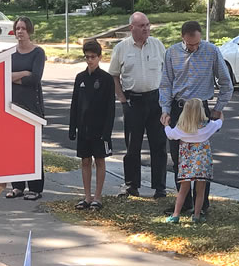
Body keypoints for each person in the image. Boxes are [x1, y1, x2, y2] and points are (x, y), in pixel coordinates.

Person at [160, 20, 232, 215]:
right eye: (190, 44)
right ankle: (184, 203)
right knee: (178, 156)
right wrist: (165, 109)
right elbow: (166, 83)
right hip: (179, 107)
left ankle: (202, 206)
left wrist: (218, 108)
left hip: (200, 109)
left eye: (197, 43)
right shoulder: (172, 53)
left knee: (201, 157)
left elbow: (226, 82)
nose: (194, 47)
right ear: (182, 38)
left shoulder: (211, 51)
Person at [108, 12, 168, 197]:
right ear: (131, 28)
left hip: (156, 100)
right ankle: (131, 185)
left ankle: (160, 187)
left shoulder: (157, 45)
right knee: (132, 146)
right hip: (133, 101)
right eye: (141, 26)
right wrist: (122, 100)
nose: (146, 29)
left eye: (148, 25)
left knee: (158, 145)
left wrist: (166, 99)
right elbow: (114, 76)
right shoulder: (122, 48)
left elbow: (167, 72)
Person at [68, 39, 115, 210]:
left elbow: (111, 107)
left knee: (100, 161)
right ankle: (87, 196)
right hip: (83, 128)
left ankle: (98, 196)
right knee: (85, 161)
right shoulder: (80, 78)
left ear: (99, 57)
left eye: (93, 57)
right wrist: (72, 127)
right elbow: (75, 104)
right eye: (87, 57)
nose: (90, 60)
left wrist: (107, 131)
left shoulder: (106, 79)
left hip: (100, 128)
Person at [163, 98, 221, 223]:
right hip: (202, 164)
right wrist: (221, 115)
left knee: (183, 189)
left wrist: (166, 124)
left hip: (186, 165)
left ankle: (176, 214)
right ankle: (197, 216)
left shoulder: (182, 128)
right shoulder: (207, 126)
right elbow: (219, 124)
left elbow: (170, 134)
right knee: (200, 191)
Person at [8, 16, 47, 200]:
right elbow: (3, 77)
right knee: (15, 148)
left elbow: (35, 78)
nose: (20, 31)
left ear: (29, 31)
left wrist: (15, 77)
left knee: (32, 148)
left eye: (23, 28)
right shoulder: (10, 53)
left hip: (32, 106)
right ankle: (17, 186)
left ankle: (35, 187)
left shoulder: (37, 53)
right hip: (13, 106)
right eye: (17, 28)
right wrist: (24, 73)